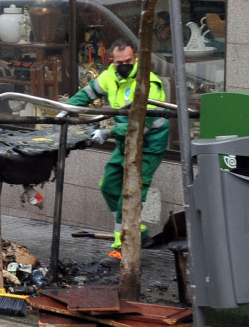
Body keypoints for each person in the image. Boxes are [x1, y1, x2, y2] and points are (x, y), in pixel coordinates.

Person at [64, 38, 170, 267]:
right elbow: (88, 94)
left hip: (149, 144)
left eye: (129, 61)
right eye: (120, 61)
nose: (124, 65)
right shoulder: (109, 76)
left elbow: (143, 123)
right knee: (109, 185)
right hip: (126, 140)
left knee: (130, 194)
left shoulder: (149, 83)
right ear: (113, 60)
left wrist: (108, 132)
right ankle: (137, 232)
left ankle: (122, 247)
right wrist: (66, 110)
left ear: (137, 59)